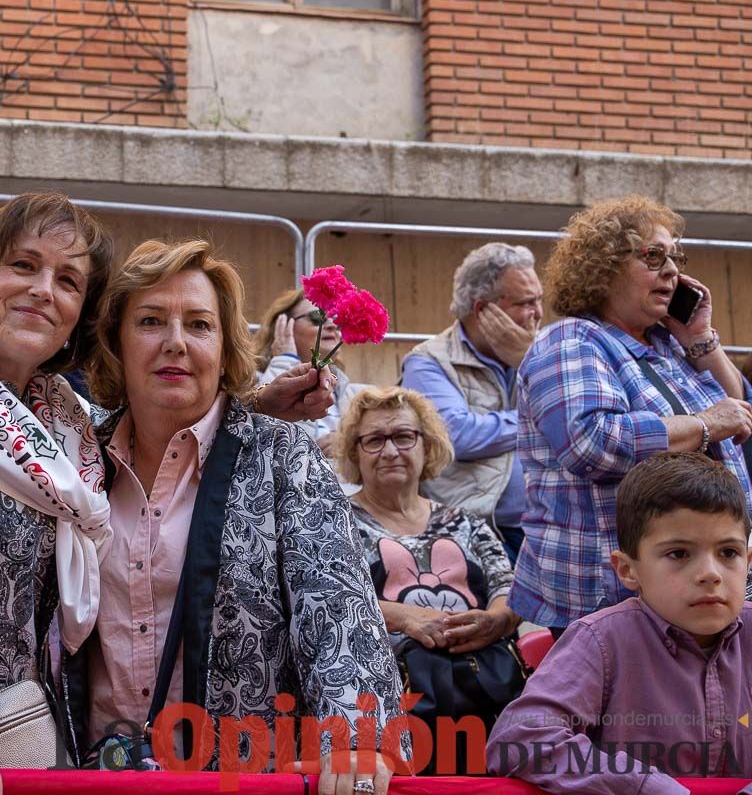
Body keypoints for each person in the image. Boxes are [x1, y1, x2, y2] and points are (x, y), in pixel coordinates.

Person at [0, 198, 346, 794]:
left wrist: (248, 409)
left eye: (67, 280)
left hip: (36, 751)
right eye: (23, 266)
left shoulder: (59, 422)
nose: (43, 290)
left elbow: (335, 601)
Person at [67, 240, 406, 795]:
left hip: (240, 777)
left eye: (199, 325)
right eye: (151, 321)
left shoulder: (282, 457)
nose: (175, 343)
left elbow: (337, 607)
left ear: (224, 348)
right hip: (91, 775)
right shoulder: (72, 461)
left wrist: (357, 737)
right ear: (115, 342)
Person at [510, 195, 752, 635]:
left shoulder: (668, 343)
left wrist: (700, 339)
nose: (672, 270)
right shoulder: (571, 340)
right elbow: (592, 442)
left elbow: (741, 412)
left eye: (675, 256)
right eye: (653, 256)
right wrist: (706, 424)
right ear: (603, 269)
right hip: (611, 598)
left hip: (692, 587)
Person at [488, 451, 752, 791]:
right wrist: (645, 787)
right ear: (627, 569)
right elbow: (521, 739)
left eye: (727, 553)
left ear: (747, 560)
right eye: (679, 554)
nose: (710, 574)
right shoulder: (600, 641)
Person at [336, 386, 520, 770]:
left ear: (427, 445)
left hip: (485, 689)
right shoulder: (337, 523)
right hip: (390, 701)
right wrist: (403, 617)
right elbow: (329, 597)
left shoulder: (465, 521)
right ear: (355, 452)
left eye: (404, 436)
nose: (390, 451)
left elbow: (508, 584)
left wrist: (497, 619)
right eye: (374, 440)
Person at [401, 243, 543, 563]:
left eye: (539, 300)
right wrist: (540, 417)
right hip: (476, 532)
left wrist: (530, 361)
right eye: (526, 302)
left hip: (549, 530)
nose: (538, 313)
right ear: (483, 310)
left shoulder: (543, 351)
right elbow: (458, 436)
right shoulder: (429, 361)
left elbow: (576, 420)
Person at [254, 288, 367, 456]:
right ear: (283, 326)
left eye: (337, 319)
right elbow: (260, 434)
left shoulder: (355, 395)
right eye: (317, 317)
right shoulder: (251, 383)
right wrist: (285, 360)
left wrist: (348, 446)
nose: (331, 324)